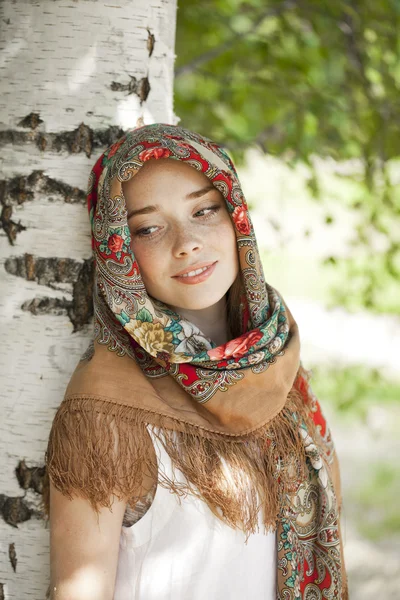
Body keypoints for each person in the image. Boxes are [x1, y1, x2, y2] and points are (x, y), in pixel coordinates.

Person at [42, 123, 348, 599]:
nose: (186, 242)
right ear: (118, 250)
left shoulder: (275, 359)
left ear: (236, 217)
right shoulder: (104, 412)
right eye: (148, 227)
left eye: (204, 209)